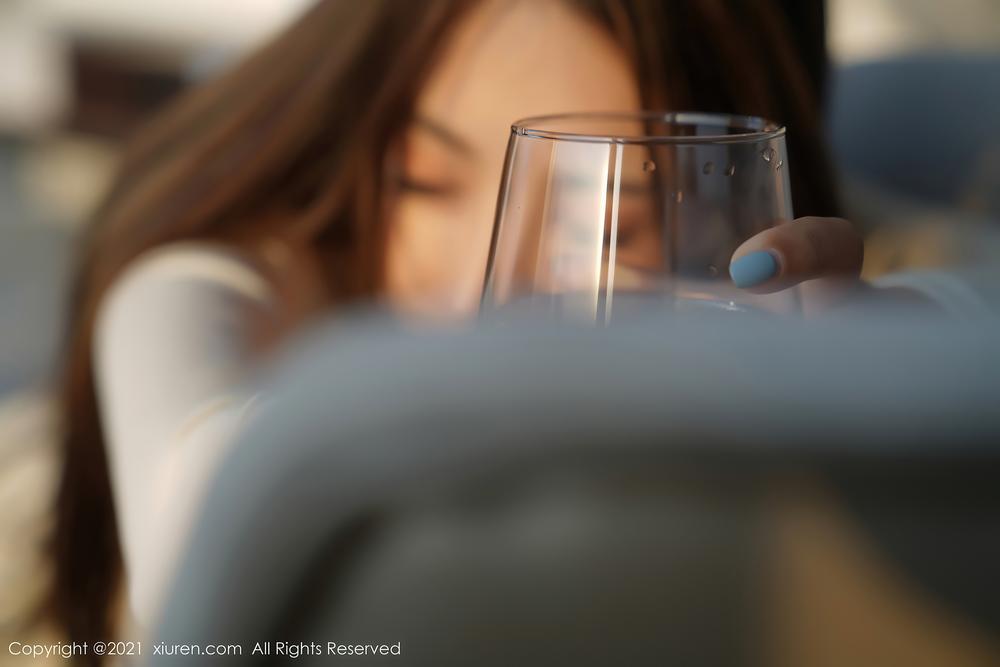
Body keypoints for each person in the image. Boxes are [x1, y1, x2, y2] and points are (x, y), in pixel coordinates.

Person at [50, 0, 883, 653]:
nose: (476, 283)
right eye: (420, 180)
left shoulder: (816, 292)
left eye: (603, 222)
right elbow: (202, 535)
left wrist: (889, 396)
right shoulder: (241, 277)